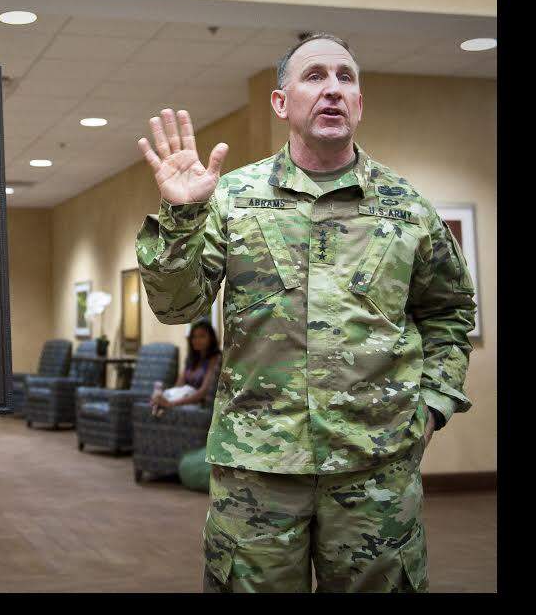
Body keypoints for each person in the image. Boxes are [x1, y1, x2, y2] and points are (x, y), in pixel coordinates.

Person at [135, 33, 476, 592]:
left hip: (376, 468)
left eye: (346, 78)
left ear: (360, 103)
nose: (333, 90)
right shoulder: (234, 198)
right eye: (315, 76)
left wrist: (432, 406)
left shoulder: (405, 205)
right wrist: (181, 218)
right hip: (258, 469)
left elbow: (449, 313)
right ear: (281, 102)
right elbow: (179, 307)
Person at [149, 320, 222, 417]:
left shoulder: (215, 359)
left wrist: (171, 403)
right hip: (184, 396)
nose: (197, 340)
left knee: (164, 400)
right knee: (159, 395)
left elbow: (203, 392)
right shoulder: (191, 359)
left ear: (211, 338)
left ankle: (160, 406)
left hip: (199, 401)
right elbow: (179, 386)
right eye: (194, 337)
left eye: (202, 336)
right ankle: (158, 403)